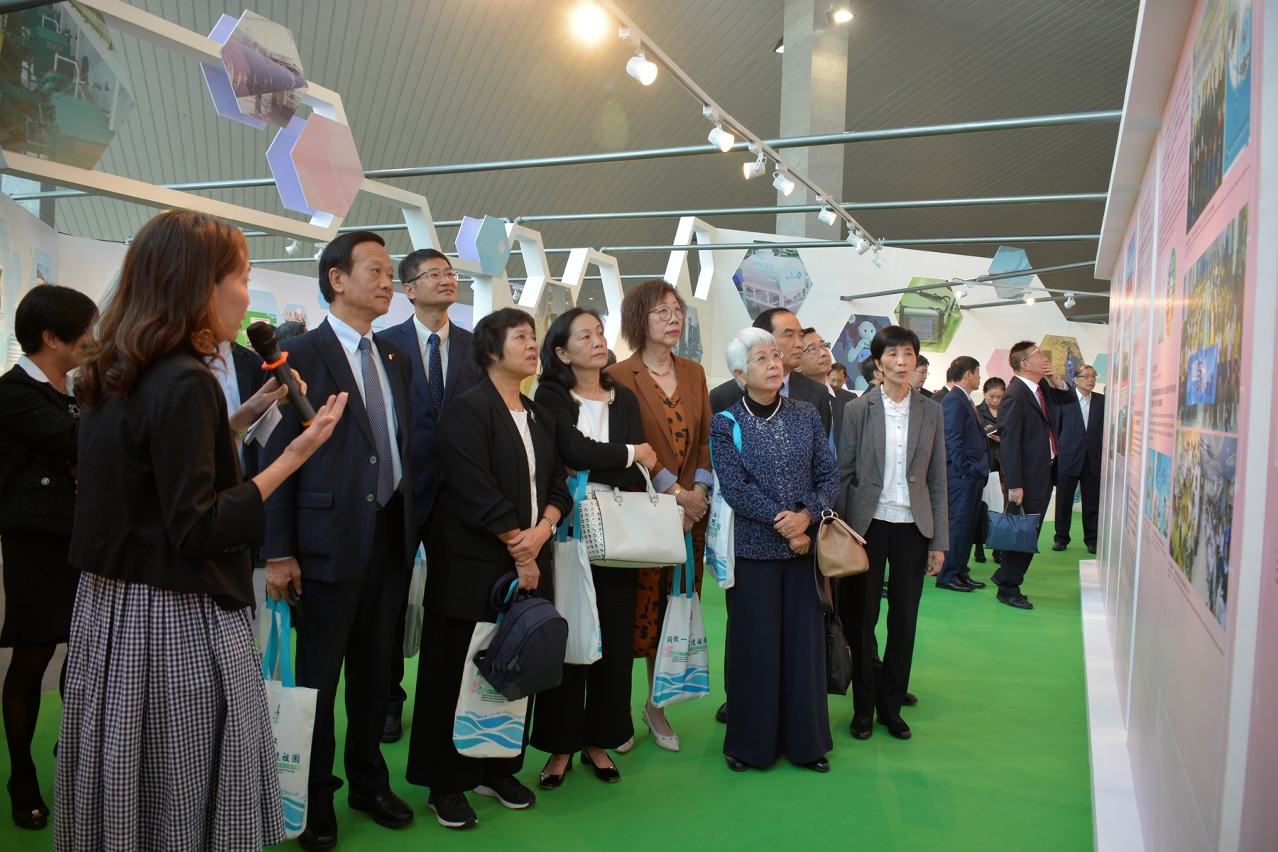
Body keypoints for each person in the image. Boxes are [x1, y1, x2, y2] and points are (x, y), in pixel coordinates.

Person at [59, 210, 346, 851]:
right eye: (240, 278)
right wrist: (296, 454)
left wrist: (245, 415)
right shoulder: (187, 379)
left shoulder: (118, 367)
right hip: (174, 614)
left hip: (111, 606)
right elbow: (197, 525)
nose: (246, 295)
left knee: (127, 773)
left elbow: (154, 471)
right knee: (185, 786)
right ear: (198, 285)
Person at [260, 231, 417, 850]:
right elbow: (272, 457)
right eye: (375, 270)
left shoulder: (393, 356)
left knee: (377, 675)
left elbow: (397, 444)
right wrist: (278, 550)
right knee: (320, 679)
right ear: (336, 279)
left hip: (390, 538)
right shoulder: (296, 355)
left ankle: (369, 783)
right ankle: (315, 794)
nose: (387, 282)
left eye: (389, 273)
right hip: (323, 543)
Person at [406, 307, 571, 828]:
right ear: (490, 351)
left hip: (531, 558)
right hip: (473, 565)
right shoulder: (467, 409)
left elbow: (558, 486)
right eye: (520, 337)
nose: (531, 345)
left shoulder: (538, 414)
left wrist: (541, 533)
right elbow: (474, 488)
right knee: (454, 670)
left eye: (533, 336)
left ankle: (497, 769)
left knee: (516, 664)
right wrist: (520, 547)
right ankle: (444, 781)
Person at [530, 308, 658, 788]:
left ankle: (601, 740)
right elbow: (571, 451)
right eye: (585, 336)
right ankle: (560, 745)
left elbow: (634, 467)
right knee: (567, 634)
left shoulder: (623, 396)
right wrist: (626, 454)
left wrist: (605, 461)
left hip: (620, 531)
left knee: (615, 637)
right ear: (562, 352)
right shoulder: (550, 394)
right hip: (566, 528)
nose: (598, 341)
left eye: (600, 333)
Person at [711, 328, 838, 773]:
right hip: (753, 553)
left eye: (775, 356)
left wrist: (805, 516)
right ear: (739, 374)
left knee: (804, 650)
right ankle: (750, 745)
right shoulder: (726, 422)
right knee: (755, 649)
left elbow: (829, 477)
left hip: (805, 552)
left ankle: (806, 744)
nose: (773, 364)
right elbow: (735, 488)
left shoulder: (806, 413)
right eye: (760, 358)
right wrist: (785, 525)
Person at [0, 285, 95, 830]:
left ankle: (73, 755)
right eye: (85, 331)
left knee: (82, 658)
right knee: (32, 656)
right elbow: (77, 442)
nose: (92, 341)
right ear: (51, 337)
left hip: (81, 543)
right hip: (35, 545)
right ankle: (21, 774)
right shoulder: (13, 392)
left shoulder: (75, 392)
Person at [377, 248, 482, 742]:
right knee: (391, 604)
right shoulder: (383, 346)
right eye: (433, 274)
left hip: (460, 499)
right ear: (409, 289)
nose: (446, 280)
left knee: (455, 603)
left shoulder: (477, 347)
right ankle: (388, 700)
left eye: (450, 272)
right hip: (400, 495)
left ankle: (447, 700)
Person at [606, 279, 712, 750]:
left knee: (674, 611)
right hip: (643, 514)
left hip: (691, 519)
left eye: (677, 310)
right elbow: (625, 445)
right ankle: (614, 713)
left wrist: (698, 493)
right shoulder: (617, 375)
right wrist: (675, 493)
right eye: (661, 312)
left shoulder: (694, 372)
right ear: (638, 320)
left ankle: (657, 705)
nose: (674, 319)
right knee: (633, 614)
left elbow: (707, 440)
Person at [835, 325, 947, 741]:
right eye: (893, 355)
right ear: (878, 363)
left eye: (909, 354)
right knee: (863, 619)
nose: (902, 362)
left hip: (913, 528)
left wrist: (939, 541)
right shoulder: (858, 410)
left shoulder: (931, 411)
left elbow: (937, 480)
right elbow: (844, 473)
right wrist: (842, 531)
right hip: (866, 527)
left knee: (904, 620)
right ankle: (863, 707)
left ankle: (891, 706)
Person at [994, 341, 1062, 609]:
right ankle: (1008, 587)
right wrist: (1015, 484)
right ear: (1025, 364)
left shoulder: (1040, 388)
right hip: (1027, 479)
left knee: (1028, 531)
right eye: (1038, 354)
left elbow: (1068, 399)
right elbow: (1009, 444)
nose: (1044, 358)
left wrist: (1055, 379)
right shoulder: (1015, 394)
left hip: (1043, 473)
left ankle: (1005, 577)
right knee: (1021, 532)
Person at [936, 356, 989, 592]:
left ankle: (960, 571)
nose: (980, 377)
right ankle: (948, 574)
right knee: (958, 525)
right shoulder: (954, 400)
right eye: (977, 372)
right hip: (962, 476)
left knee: (968, 526)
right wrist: (964, 470)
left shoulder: (964, 399)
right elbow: (952, 438)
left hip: (971, 475)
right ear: (968, 374)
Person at [1053, 364, 1104, 554]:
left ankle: (1092, 540)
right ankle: (1061, 538)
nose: (1091, 380)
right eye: (1086, 376)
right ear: (1075, 380)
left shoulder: (1102, 401)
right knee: (1064, 501)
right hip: (1069, 457)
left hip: (1093, 458)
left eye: (1094, 376)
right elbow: (1056, 428)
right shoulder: (1065, 400)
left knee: (1092, 502)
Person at [801, 327, 856, 449]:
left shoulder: (848, 400)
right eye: (812, 349)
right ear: (797, 364)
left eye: (824, 346)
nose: (824, 353)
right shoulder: (792, 400)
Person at [974, 377, 1006, 564]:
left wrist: (1004, 438)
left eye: (999, 397)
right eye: (991, 396)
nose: (995, 401)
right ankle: (979, 546)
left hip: (1005, 466)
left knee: (1001, 509)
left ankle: (998, 548)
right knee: (982, 507)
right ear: (984, 393)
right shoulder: (977, 411)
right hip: (986, 465)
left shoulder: (1008, 411)